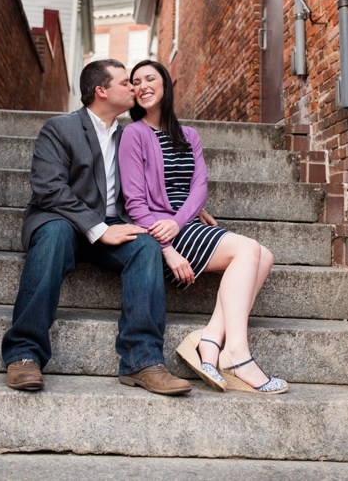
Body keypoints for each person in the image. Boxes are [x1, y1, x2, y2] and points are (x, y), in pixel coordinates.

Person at [1, 59, 192, 395]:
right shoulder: (61, 128)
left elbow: (154, 181)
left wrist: (189, 207)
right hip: (62, 222)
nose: (134, 88)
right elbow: (49, 188)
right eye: (125, 83)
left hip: (113, 226)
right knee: (55, 234)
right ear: (101, 91)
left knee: (146, 245)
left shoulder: (132, 135)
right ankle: (24, 353)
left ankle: (142, 361)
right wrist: (97, 228)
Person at [118, 60, 287, 394]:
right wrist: (165, 247)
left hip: (182, 224)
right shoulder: (133, 134)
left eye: (150, 78)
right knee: (249, 250)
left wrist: (179, 221)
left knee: (264, 256)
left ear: (166, 84)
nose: (142, 86)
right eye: (135, 82)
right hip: (158, 231)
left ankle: (209, 340)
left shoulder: (189, 135)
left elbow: (199, 187)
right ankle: (236, 352)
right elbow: (134, 202)